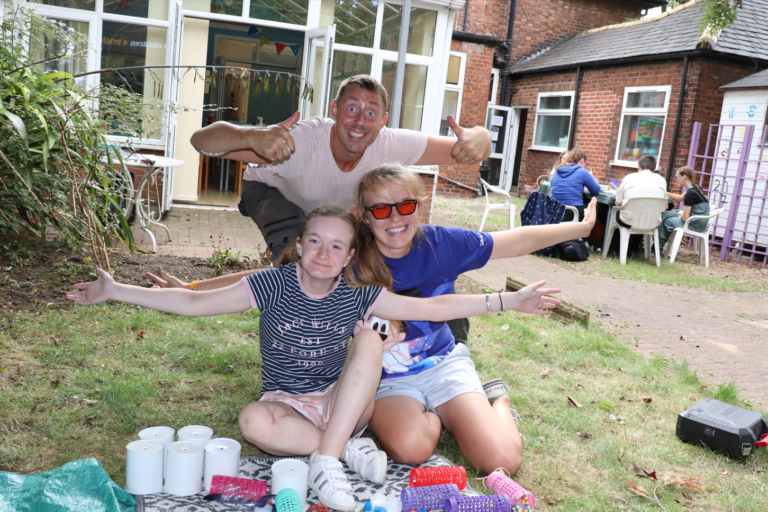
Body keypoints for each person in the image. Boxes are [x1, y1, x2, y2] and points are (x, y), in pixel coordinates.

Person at [67, 205, 561, 510]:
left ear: (349, 256)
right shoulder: (270, 285)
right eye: (315, 242)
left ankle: (326, 457)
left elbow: (432, 308)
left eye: (336, 246)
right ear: (300, 246)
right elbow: (195, 303)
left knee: (371, 336)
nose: (324, 254)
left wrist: (506, 300)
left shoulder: (358, 293)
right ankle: (342, 450)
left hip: (341, 400)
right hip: (287, 402)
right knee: (252, 421)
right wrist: (117, 290)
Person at [190, 74, 492, 262]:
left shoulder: (390, 143)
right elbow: (200, 141)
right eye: (351, 108)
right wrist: (250, 136)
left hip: (327, 210)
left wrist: (482, 136)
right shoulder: (304, 141)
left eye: (371, 112)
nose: (360, 121)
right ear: (334, 109)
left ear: (383, 121)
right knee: (301, 258)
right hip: (269, 191)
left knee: (358, 257)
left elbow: (466, 150)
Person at [658, 166, 710, 253]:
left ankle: (657, 249)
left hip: (693, 224)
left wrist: (677, 215)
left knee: (667, 221)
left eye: (677, 177)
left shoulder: (690, 194)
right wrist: (665, 193)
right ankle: (656, 247)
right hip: (699, 222)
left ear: (684, 176)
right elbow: (681, 198)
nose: (676, 180)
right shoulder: (696, 188)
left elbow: (684, 218)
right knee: (664, 214)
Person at [550, 148, 601, 222]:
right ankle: (589, 230)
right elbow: (596, 190)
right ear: (582, 161)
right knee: (591, 213)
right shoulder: (582, 171)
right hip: (572, 211)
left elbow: (553, 186)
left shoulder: (557, 170)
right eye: (586, 164)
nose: (586, 166)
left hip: (554, 211)